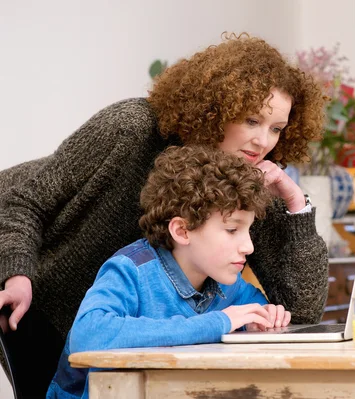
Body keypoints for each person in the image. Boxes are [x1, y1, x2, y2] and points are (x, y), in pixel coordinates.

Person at [0, 33, 328, 397]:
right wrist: (17, 272)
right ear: (218, 108)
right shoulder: (132, 128)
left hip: (113, 322)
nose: (263, 141)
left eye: (276, 129)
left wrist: (297, 206)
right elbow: (24, 202)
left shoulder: (248, 183)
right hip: (32, 274)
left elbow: (302, 311)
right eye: (252, 120)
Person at [46, 145, 291, 398]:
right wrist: (219, 323)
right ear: (182, 231)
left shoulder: (227, 281)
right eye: (231, 230)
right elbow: (88, 335)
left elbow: (253, 312)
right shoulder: (131, 270)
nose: (248, 246)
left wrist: (263, 320)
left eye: (248, 230)